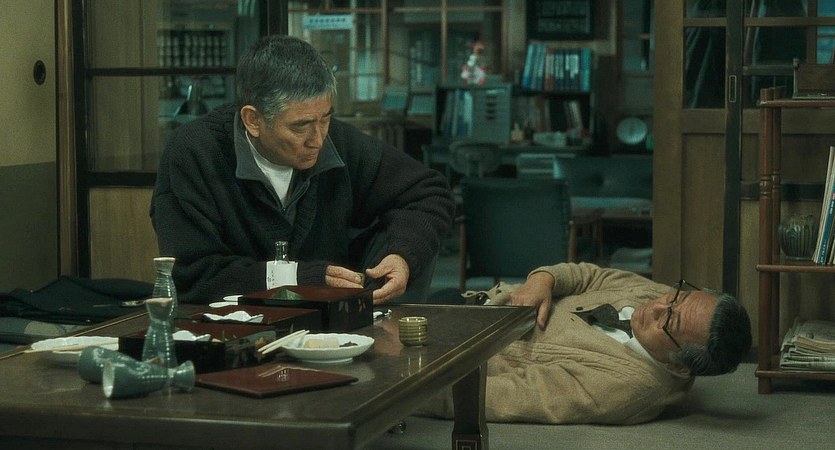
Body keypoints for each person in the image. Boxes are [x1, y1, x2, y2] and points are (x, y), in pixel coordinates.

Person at [150, 35, 455, 304]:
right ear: (253, 120)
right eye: (301, 126)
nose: (318, 140)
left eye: (326, 118)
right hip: (230, 330)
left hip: (336, 328)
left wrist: (402, 254)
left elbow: (428, 192)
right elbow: (191, 276)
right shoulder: (194, 153)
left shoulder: (336, 140)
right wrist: (296, 279)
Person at [418, 262, 752, 425]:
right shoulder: (665, 299)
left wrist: (410, 395)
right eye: (679, 296)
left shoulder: (627, 388)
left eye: (670, 322)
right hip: (473, 303)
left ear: (677, 364)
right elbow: (589, 275)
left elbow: (512, 396)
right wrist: (543, 280)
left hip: (453, 355)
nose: (658, 306)